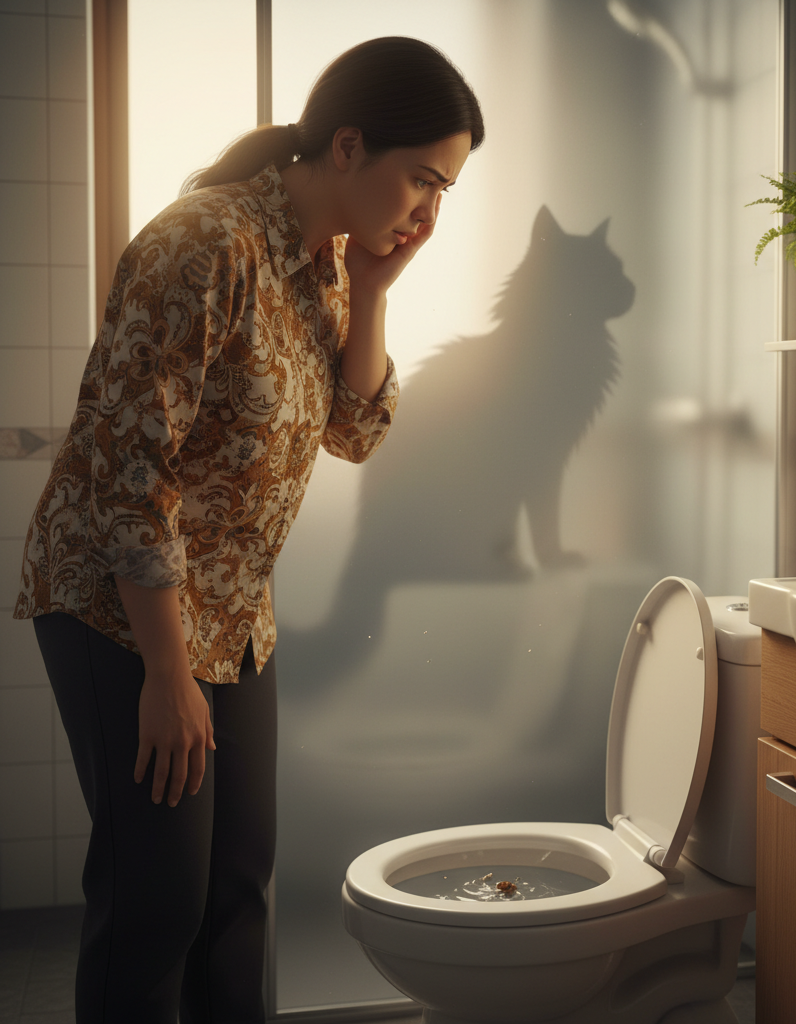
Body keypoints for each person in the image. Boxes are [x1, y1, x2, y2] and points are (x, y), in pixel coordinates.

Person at [13, 36, 483, 1024]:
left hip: (232, 613)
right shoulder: (206, 241)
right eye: (422, 180)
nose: (429, 213)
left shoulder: (327, 266)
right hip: (117, 606)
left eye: (445, 192)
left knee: (237, 891)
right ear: (347, 146)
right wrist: (166, 672)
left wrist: (376, 292)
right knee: (157, 899)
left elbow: (354, 431)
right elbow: (131, 470)